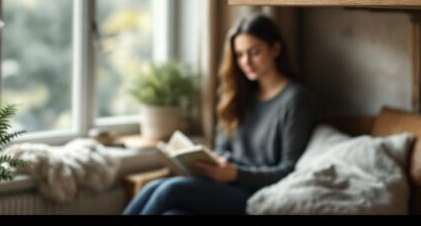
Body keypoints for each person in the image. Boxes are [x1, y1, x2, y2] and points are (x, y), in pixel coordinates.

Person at [122, 12, 318, 215]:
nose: (246, 62)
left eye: (255, 52)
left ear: (275, 49)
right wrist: (213, 162)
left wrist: (235, 173)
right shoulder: (239, 96)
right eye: (240, 54)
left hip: (256, 192)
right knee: (162, 200)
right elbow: (223, 148)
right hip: (224, 184)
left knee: (171, 189)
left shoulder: (295, 99)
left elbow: (288, 170)